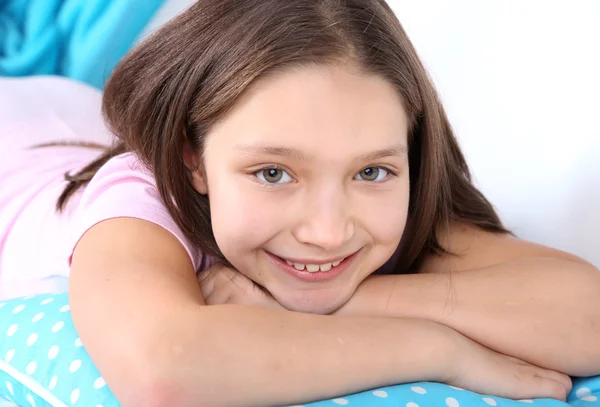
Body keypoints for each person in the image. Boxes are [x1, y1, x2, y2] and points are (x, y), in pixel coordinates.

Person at [1, 1, 599, 406]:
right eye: (272, 172)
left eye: (371, 169)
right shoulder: (142, 195)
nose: (328, 231)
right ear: (192, 158)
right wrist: (436, 348)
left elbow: (588, 318)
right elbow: (164, 368)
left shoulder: (391, 198)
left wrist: (346, 303)